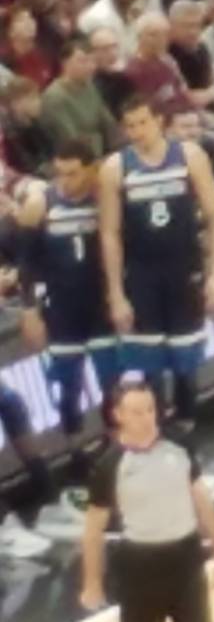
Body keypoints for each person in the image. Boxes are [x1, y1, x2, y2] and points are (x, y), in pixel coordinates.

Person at [98, 97, 214, 425]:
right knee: (150, 366)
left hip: (185, 270)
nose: (137, 131)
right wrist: (115, 293)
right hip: (141, 275)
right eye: (130, 126)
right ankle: (159, 434)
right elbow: (109, 233)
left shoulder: (188, 155)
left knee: (186, 365)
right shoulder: (115, 167)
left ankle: (187, 429)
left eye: (143, 122)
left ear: (158, 121)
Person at [78, 378, 214, 622]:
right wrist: (92, 582)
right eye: (137, 412)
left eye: (150, 409)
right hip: (140, 568)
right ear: (118, 415)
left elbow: (202, 500)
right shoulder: (109, 465)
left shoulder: (179, 446)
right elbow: (93, 530)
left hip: (186, 561)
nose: (147, 418)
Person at [16, 139, 119, 482]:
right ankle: (76, 451)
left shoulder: (105, 197)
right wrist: (29, 311)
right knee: (67, 388)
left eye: (73, 174)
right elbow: (26, 262)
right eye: (60, 174)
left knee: (113, 384)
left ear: (91, 168)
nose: (66, 181)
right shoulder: (40, 203)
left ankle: (117, 446)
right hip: (61, 311)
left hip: (100, 308)